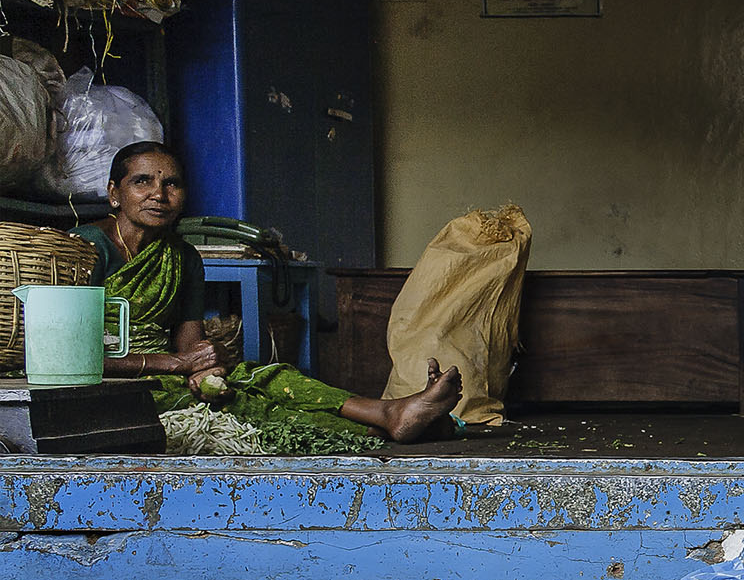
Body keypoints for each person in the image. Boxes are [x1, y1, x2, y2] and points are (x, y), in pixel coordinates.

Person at [75, 141, 462, 446]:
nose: (159, 194)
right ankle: (398, 423)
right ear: (114, 192)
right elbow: (70, 360)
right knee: (244, 408)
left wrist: (204, 366)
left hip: (169, 372)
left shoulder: (184, 257)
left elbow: (191, 347)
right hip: (108, 384)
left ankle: (389, 413)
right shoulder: (86, 248)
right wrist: (174, 365)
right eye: (142, 181)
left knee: (268, 377)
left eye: (171, 183)